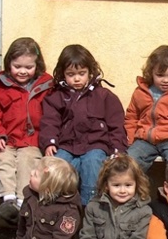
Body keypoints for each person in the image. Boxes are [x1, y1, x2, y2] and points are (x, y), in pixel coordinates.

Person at [39, 44, 127, 205]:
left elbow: (117, 126)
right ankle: (56, 207)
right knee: (57, 166)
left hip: (95, 144)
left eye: (82, 73)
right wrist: (49, 142)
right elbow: (49, 122)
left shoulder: (103, 96)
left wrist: (117, 149)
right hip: (66, 145)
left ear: (90, 72)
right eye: (71, 74)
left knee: (92, 164)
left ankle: (90, 206)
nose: (77, 79)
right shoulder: (57, 96)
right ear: (62, 74)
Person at [0, 37, 54, 225]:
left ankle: (23, 203)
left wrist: (49, 140)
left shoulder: (46, 85)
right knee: (3, 160)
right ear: (9, 64)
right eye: (17, 66)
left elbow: (52, 115)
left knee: (28, 163)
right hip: (7, 139)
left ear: (37, 65)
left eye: (28, 67)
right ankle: (8, 200)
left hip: (32, 140)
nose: (23, 71)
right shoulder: (1, 84)